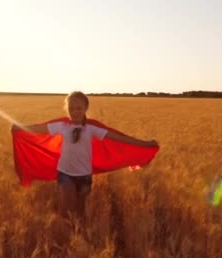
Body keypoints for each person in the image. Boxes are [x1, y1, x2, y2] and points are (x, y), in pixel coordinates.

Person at [11, 91, 158, 222]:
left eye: (78, 108)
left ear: (85, 109)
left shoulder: (92, 127)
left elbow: (119, 138)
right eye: (71, 109)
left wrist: (144, 144)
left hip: (85, 176)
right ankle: (64, 237)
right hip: (65, 173)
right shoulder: (61, 125)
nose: (74, 112)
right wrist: (19, 127)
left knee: (80, 212)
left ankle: (79, 238)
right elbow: (39, 128)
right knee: (66, 208)